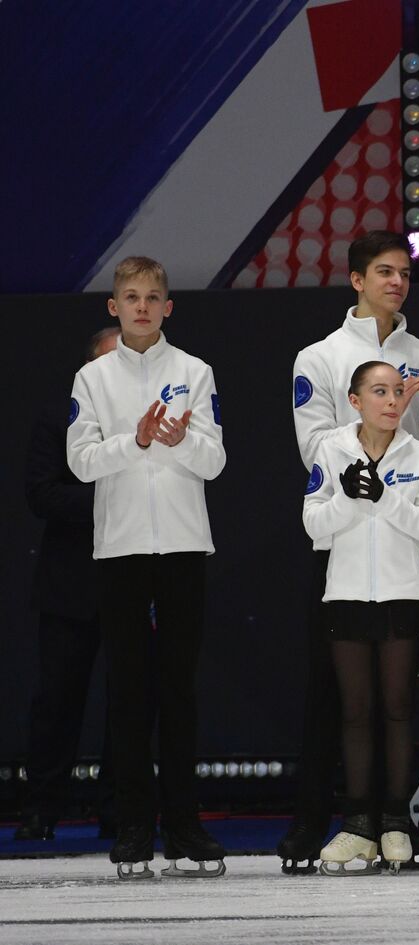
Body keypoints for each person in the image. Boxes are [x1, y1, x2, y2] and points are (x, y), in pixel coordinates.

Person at [281, 230, 419, 873]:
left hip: (402, 541)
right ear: (356, 279)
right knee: (337, 695)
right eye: (384, 271)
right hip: (346, 537)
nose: (396, 282)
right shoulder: (319, 356)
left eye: (404, 273)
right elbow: (315, 450)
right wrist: (361, 471)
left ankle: (394, 819)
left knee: (398, 698)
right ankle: (321, 823)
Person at [67, 257, 227, 879]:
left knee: (179, 691)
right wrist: (133, 441)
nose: (141, 307)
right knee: (129, 691)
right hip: (122, 549)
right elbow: (81, 464)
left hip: (185, 546)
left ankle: (185, 825)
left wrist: (179, 439)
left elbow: (213, 461)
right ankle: (134, 827)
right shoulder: (93, 379)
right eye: (130, 297)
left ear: (168, 307)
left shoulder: (195, 372)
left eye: (152, 297)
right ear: (113, 306)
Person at [303, 360, 419, 875]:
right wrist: (348, 498)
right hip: (345, 596)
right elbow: (312, 521)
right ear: (355, 400)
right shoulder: (330, 449)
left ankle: (394, 822)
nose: (390, 400)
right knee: (356, 711)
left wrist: (384, 499)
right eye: (378, 392)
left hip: (403, 594)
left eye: (397, 391)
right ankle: (358, 823)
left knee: (399, 708)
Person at [16, 327, 119, 843]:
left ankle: (121, 811)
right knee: (57, 702)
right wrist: (107, 505)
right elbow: (41, 494)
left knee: (129, 702)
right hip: (69, 582)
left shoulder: (154, 422)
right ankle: (42, 807)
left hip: (131, 580)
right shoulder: (59, 417)